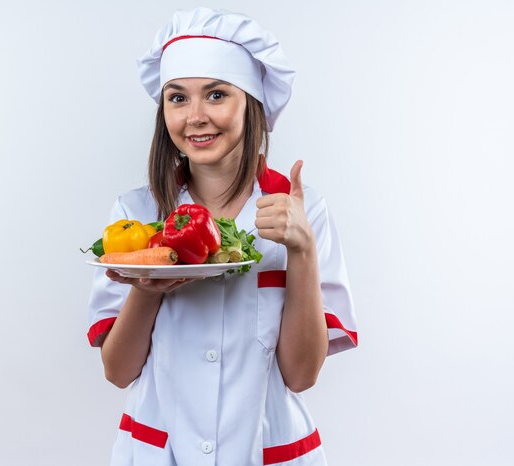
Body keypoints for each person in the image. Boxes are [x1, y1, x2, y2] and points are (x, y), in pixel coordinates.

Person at [86, 7, 358, 465]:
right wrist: (148, 291)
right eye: (177, 98)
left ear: (251, 102)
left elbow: (301, 374)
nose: (195, 117)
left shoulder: (299, 212)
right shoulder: (134, 217)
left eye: (216, 95)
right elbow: (118, 371)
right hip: (159, 450)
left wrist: (303, 251)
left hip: (267, 447)